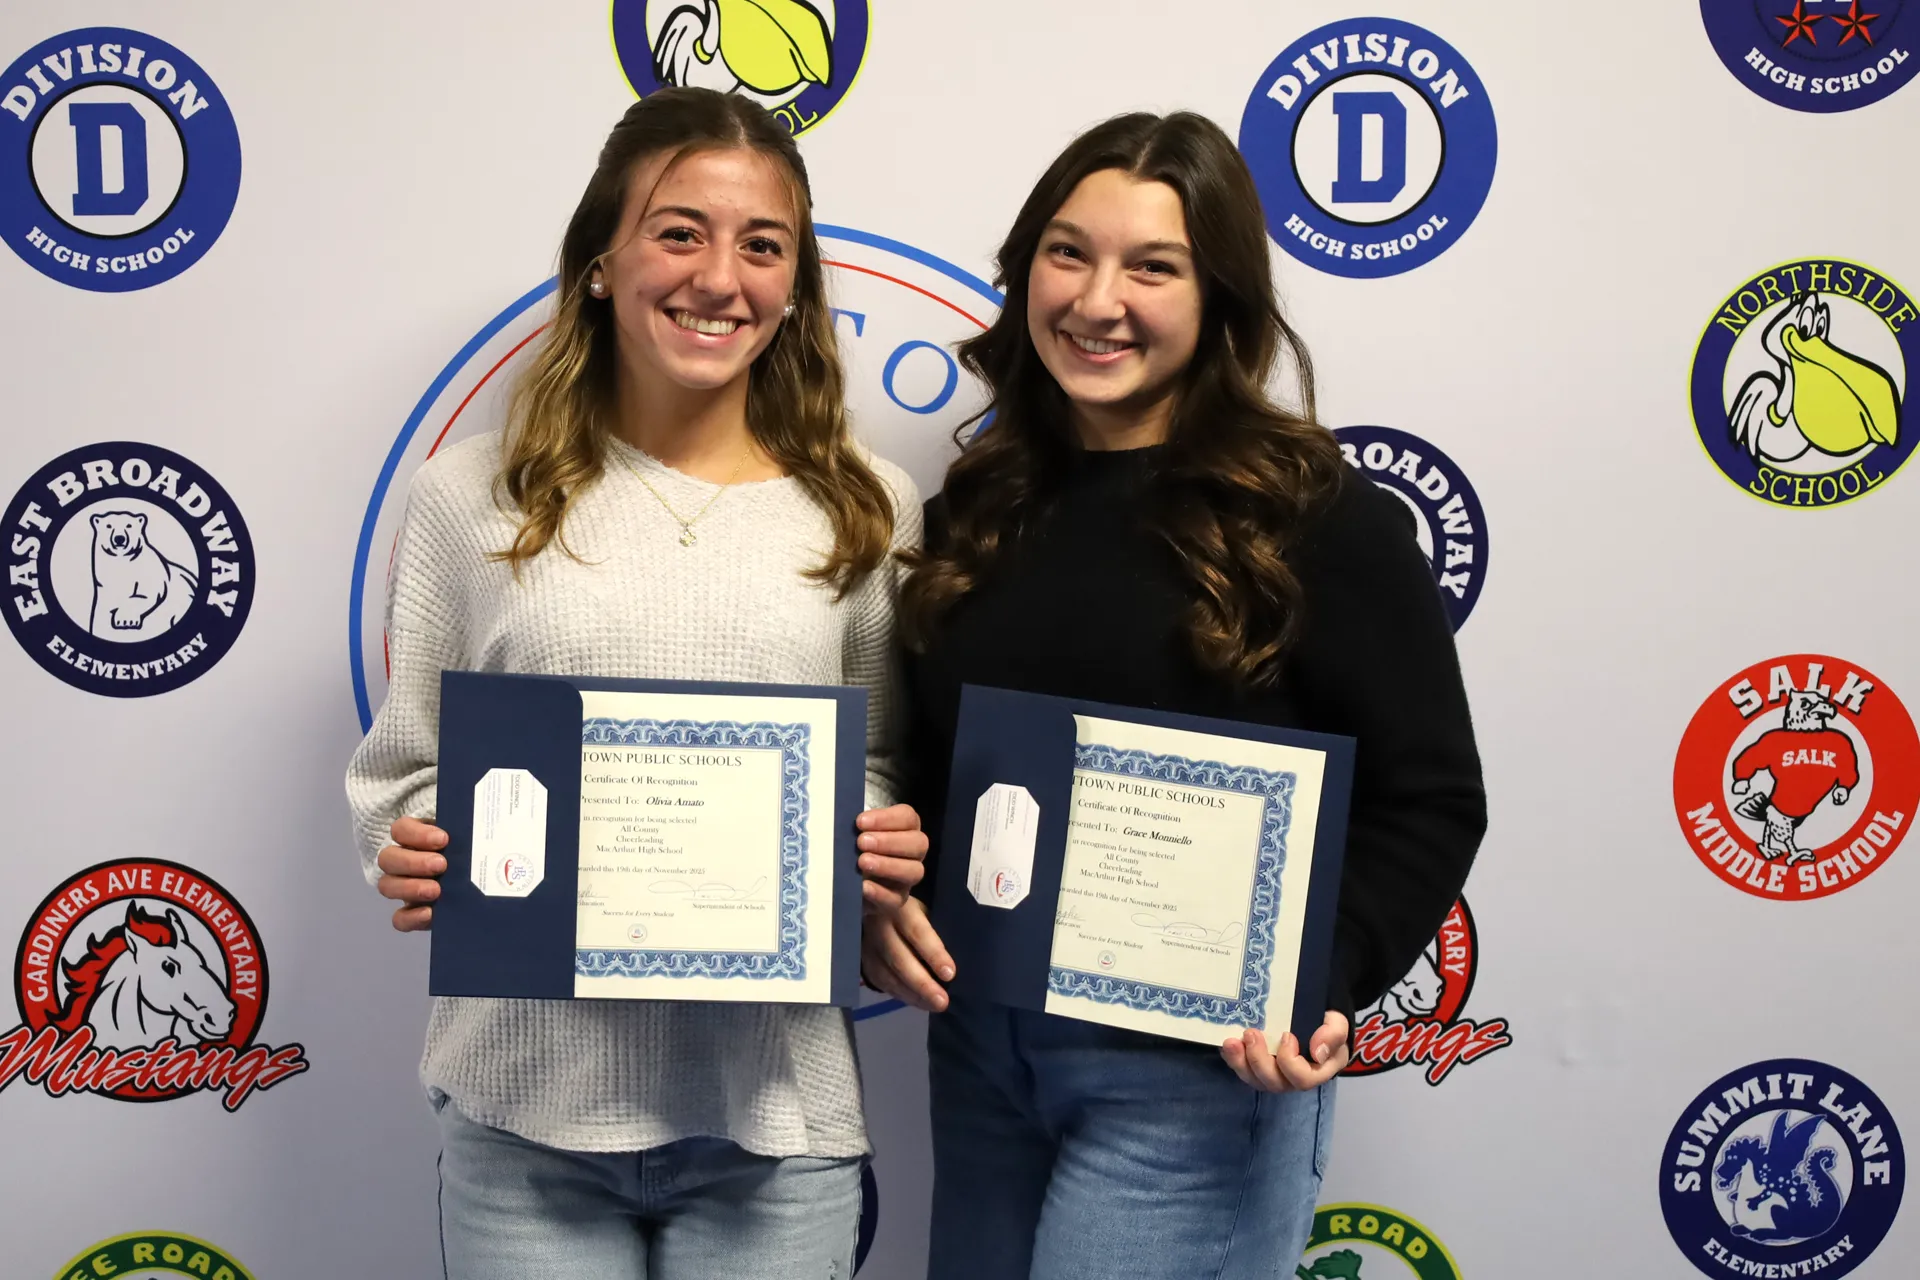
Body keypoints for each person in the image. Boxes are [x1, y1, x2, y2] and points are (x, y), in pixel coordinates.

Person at [858, 111, 1488, 1279]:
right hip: (985, 1053)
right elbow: (954, 779)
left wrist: (1325, 978)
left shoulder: (1319, 520)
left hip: (1198, 1074)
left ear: (1221, 299)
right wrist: (892, 881)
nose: (1098, 300)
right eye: (1067, 252)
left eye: (1153, 266)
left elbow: (1432, 795)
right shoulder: (975, 514)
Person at [346, 87, 928, 1280]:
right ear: (602, 260)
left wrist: (869, 832)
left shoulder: (866, 506)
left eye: (763, 245)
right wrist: (409, 836)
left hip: (773, 1118)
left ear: (794, 285)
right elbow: (406, 762)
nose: (720, 277)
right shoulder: (471, 496)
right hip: (523, 1112)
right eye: (679, 231)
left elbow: (884, 752)